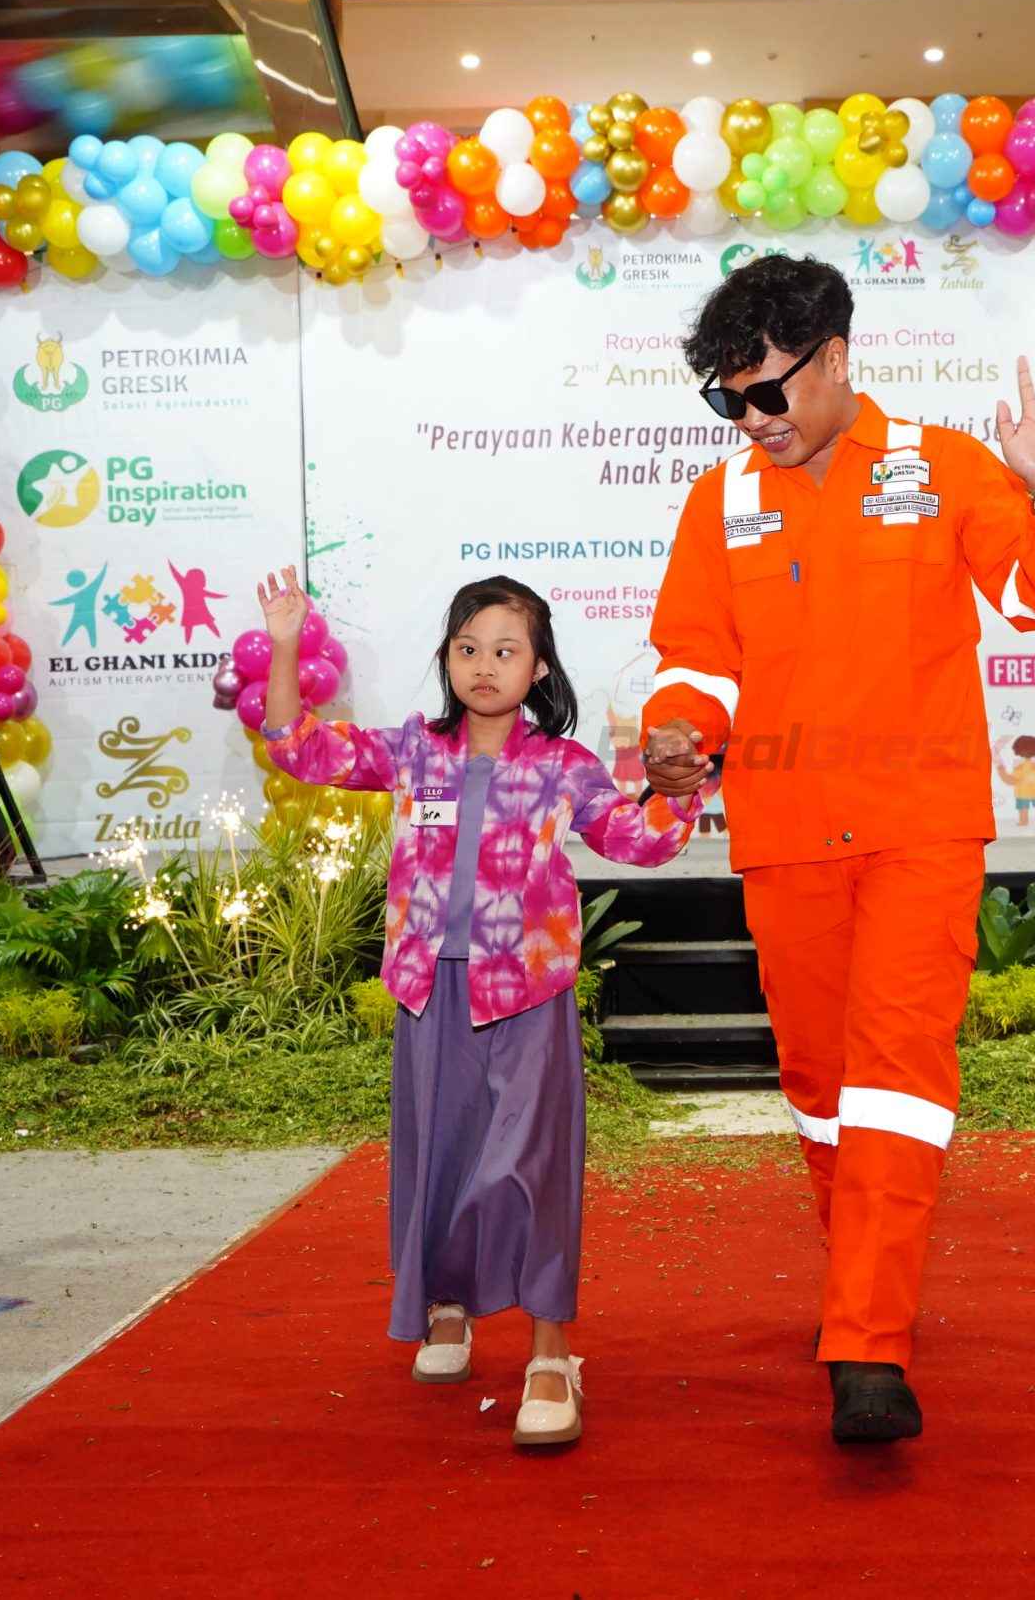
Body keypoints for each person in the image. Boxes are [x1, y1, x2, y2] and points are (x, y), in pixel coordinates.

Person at [640, 253, 1035, 1444]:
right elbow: (694, 657)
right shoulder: (720, 502)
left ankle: (866, 1344)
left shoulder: (941, 466)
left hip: (919, 831)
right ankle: (862, 1292)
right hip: (784, 836)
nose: (751, 420)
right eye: (728, 400)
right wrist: (679, 734)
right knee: (819, 1091)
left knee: (896, 1076)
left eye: (767, 393)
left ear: (837, 358)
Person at [258, 569, 697, 1449]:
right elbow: (295, 745)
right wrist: (284, 641)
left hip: (526, 994)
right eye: (468, 648)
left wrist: (682, 783)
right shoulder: (414, 749)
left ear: (539, 667)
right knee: (442, 1160)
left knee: (524, 1170)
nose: (484, 665)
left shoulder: (564, 767)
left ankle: (549, 1350)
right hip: (430, 988)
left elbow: (640, 841)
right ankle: (446, 1309)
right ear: (448, 660)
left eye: (505, 649)